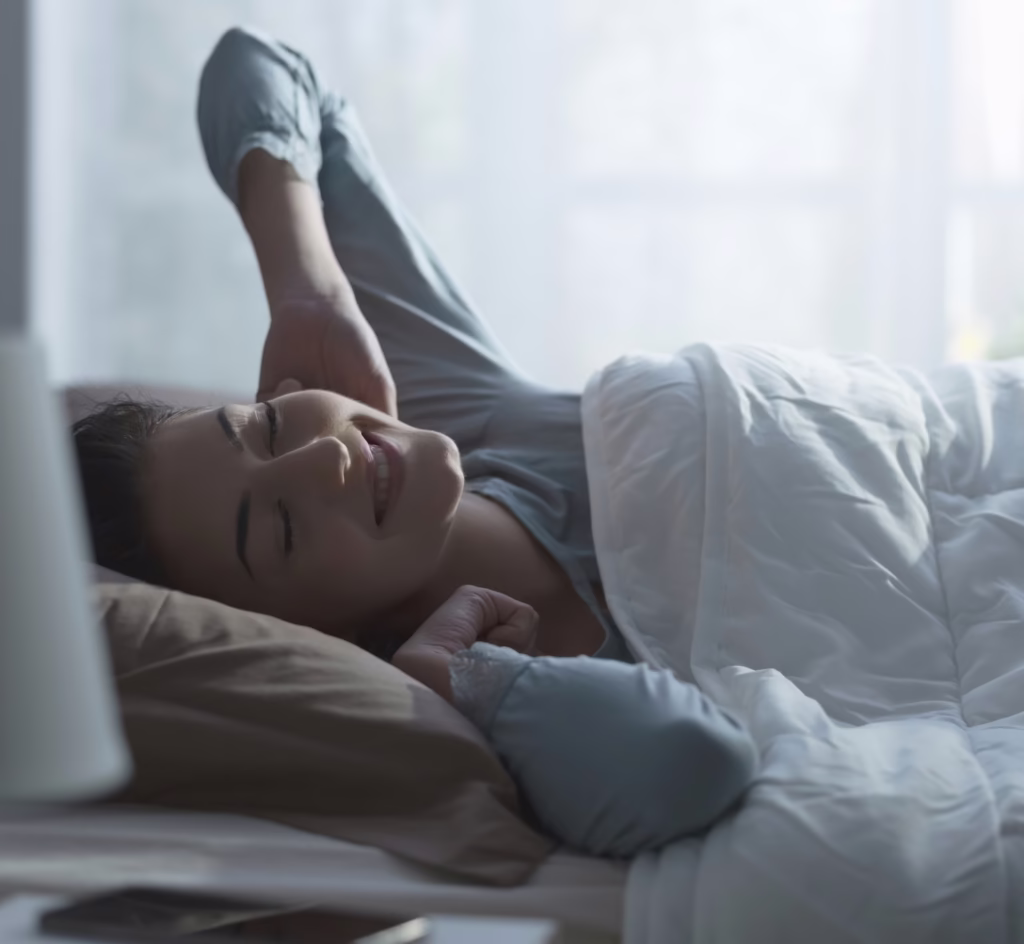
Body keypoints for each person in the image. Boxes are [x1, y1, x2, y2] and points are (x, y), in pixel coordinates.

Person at [72, 26, 757, 857]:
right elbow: (691, 763)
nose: (325, 456)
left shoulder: (435, 395)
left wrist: (307, 287)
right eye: (281, 527)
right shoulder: (474, 711)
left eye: (269, 425)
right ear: (310, 633)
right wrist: (481, 682)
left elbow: (256, 63)